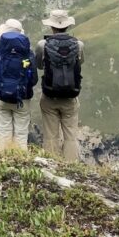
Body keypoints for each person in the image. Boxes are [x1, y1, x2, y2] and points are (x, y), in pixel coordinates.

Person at [36, 10, 85, 162]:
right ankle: (71, 165)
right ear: (67, 26)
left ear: (52, 27)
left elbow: (39, 65)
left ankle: (52, 164)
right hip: (71, 95)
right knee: (70, 134)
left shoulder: (42, 44)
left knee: (51, 134)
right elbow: (80, 62)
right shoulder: (78, 45)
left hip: (50, 95)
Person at [0, 19, 37, 152]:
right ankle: (21, 162)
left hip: (1, 97)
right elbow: (33, 80)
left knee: (4, 132)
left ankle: (4, 160)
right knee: (21, 134)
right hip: (22, 99)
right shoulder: (29, 53)